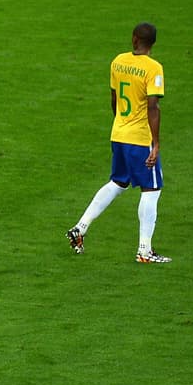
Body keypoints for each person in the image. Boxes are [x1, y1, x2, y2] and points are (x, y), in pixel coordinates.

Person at [67, 22, 170, 263]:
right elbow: (153, 107)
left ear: (134, 39)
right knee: (151, 189)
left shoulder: (118, 61)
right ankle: (145, 250)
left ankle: (80, 227)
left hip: (119, 133)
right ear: (152, 43)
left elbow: (114, 99)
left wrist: (121, 123)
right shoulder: (153, 68)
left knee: (118, 182)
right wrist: (155, 143)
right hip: (139, 138)